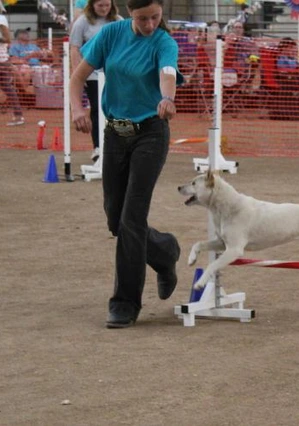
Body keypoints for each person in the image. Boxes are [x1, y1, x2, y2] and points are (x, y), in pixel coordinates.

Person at [70, 0, 184, 329]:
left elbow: (167, 72)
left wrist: (168, 98)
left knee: (132, 217)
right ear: (129, 13)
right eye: (143, 19)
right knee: (115, 219)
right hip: (116, 134)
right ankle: (164, 251)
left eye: (155, 17)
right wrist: (79, 109)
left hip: (151, 132)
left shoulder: (164, 41)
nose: (150, 25)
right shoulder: (110, 35)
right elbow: (78, 77)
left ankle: (124, 302)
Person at [70, 0, 122, 162]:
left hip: (113, 73)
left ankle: (119, 145)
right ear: (92, 5)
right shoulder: (82, 22)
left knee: (117, 109)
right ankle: (98, 147)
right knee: (97, 109)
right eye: (100, 5)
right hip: (92, 74)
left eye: (107, 5)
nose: (104, 9)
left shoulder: (118, 20)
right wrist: (77, 73)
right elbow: (74, 48)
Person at [8, 28, 53, 97]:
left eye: (27, 33)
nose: (27, 34)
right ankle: (36, 93)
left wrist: (45, 54)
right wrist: (29, 57)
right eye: (24, 33)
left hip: (36, 66)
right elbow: (14, 60)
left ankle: (46, 92)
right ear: (18, 36)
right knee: (30, 69)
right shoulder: (14, 47)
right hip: (24, 67)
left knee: (46, 67)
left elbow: (45, 59)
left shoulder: (34, 46)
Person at [0, 3, 24, 126]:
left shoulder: (1, 19)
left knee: (8, 88)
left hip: (2, 60)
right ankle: (18, 115)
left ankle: (18, 115)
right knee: (7, 88)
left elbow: (7, 39)